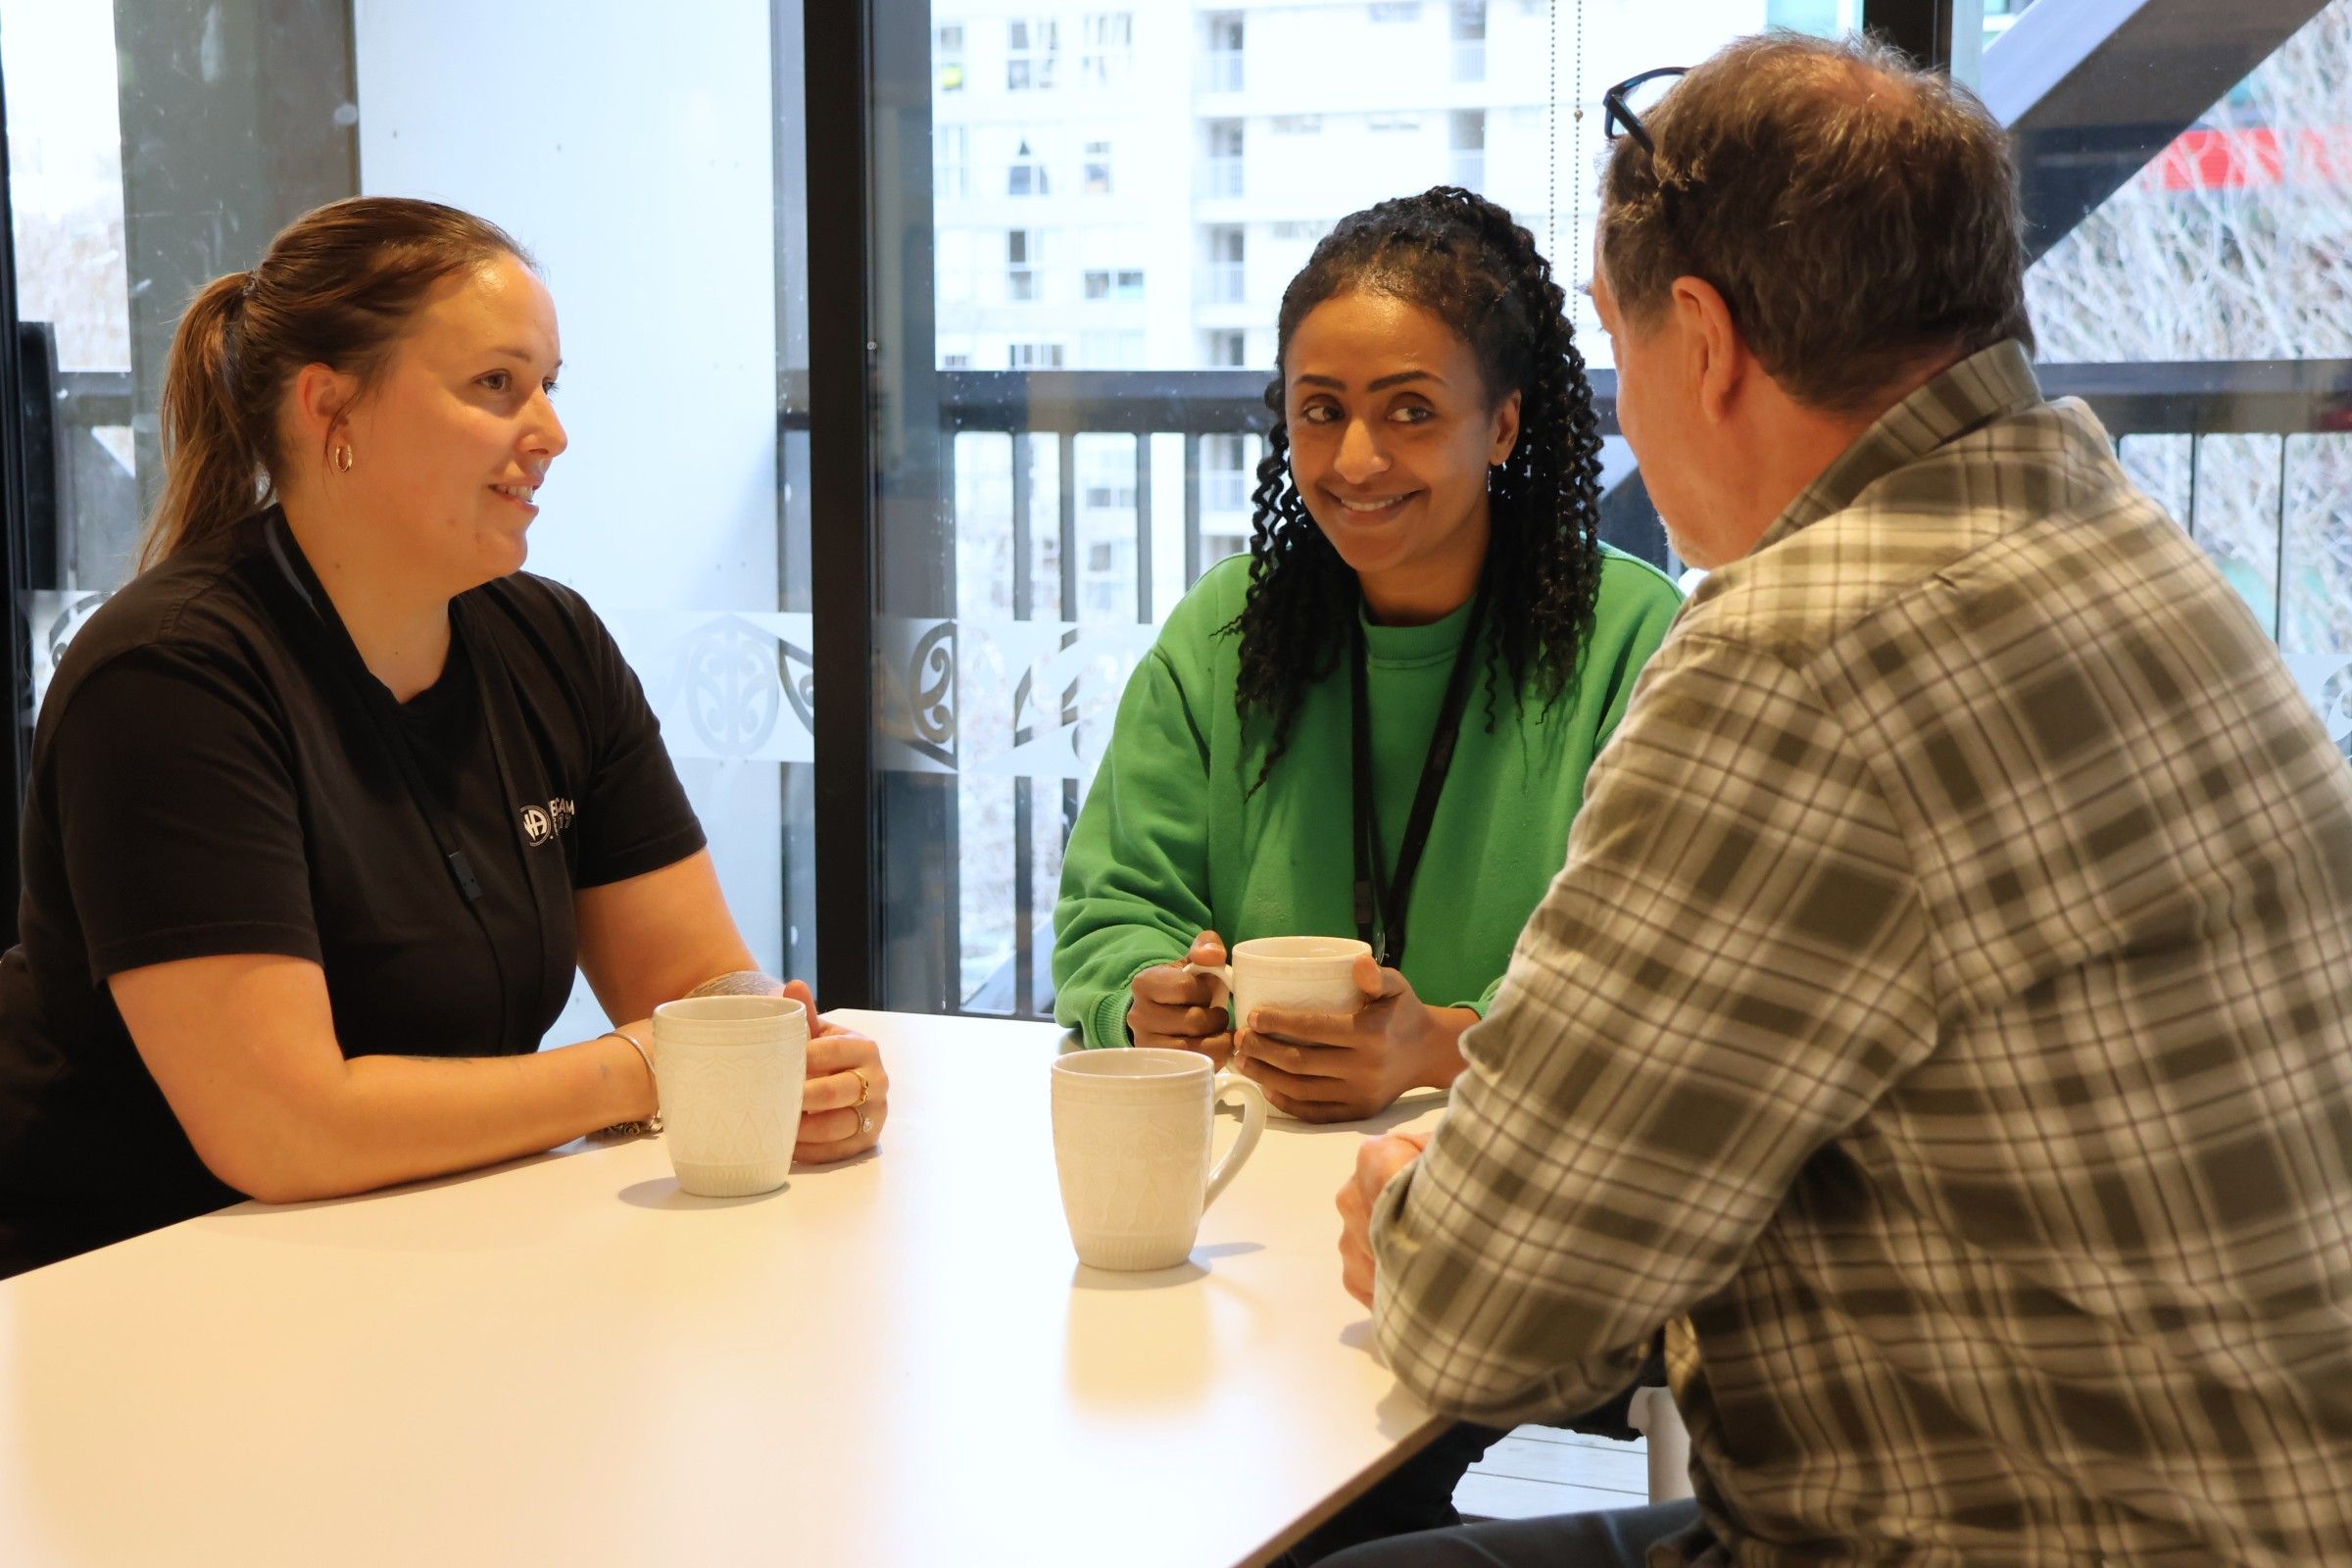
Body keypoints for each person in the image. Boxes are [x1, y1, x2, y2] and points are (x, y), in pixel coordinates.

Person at [1329, 32, 2352, 1568]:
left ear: (1707, 336)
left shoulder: (1794, 656)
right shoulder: (2116, 538)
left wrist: (1415, 1207)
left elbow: (1488, 1315)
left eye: (1621, 360)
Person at [0, 197, 888, 1280]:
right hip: (129, 1286)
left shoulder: (549, 640)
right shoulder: (169, 676)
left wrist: (787, 1067)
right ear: (333, 411)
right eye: (495, 385)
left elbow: (697, 992)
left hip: (420, 1256)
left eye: (549, 386)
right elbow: (286, 1128)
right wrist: (645, 1072)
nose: (551, 434)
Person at [1051, 186, 1683, 1557]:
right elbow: (1112, 909)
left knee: (1313, 1512)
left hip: (1498, 1215)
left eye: (1410, 409)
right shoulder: (1230, 631)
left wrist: (1444, 1047)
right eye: (1317, 408)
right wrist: (1146, 1001)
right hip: (1237, 1210)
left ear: (1504, 424)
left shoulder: (1635, 641)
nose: (1354, 456)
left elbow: (1667, 1006)